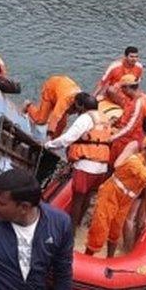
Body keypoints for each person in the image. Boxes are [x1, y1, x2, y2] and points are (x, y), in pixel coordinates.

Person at [43, 94, 111, 227]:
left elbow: (68, 138)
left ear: (81, 106)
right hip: (102, 166)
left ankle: (71, 230)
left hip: (86, 164)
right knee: (88, 197)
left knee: (77, 200)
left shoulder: (85, 118)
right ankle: (78, 225)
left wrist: (48, 145)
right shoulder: (104, 118)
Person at [107, 73, 146, 163]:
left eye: (122, 88)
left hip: (129, 139)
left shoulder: (139, 103)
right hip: (124, 134)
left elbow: (130, 127)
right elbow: (126, 115)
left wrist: (112, 137)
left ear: (128, 88)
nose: (121, 91)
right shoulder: (131, 99)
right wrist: (114, 122)